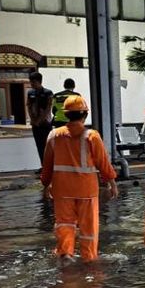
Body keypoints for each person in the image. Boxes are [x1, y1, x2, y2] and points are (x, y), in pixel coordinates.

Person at [40, 95, 118, 263]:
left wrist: (46, 184)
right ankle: (89, 258)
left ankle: (66, 253)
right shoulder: (91, 136)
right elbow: (103, 162)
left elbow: (47, 164)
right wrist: (112, 183)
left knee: (64, 223)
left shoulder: (54, 135)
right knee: (88, 227)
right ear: (85, 115)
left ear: (66, 114)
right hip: (86, 190)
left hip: (62, 190)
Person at [26, 71, 55, 163]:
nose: (31, 84)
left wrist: (39, 120)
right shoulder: (30, 93)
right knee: (39, 145)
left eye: (33, 82)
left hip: (45, 123)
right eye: (31, 82)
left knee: (48, 145)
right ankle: (43, 165)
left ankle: (50, 165)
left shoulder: (48, 92)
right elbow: (29, 106)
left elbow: (48, 108)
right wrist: (33, 119)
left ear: (39, 81)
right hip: (35, 124)